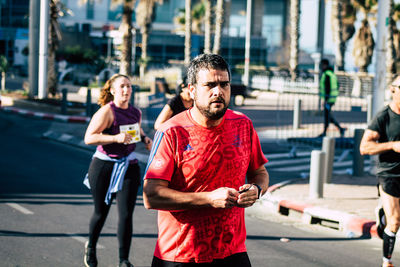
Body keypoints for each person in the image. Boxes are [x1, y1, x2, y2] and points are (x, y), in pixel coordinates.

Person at [143, 54, 269, 267]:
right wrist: (208, 198)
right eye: (210, 85)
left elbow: (260, 172)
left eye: (224, 84)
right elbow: (151, 196)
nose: (218, 91)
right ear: (192, 90)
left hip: (232, 252)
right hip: (180, 254)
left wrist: (256, 190)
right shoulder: (172, 132)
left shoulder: (243, 125)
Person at [83, 74, 153, 267]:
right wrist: (115, 139)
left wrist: (145, 139)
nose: (126, 90)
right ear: (113, 90)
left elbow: (135, 131)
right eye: (122, 86)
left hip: (128, 166)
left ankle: (124, 260)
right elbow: (89, 138)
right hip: (104, 165)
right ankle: (91, 248)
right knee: (101, 212)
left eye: (129, 86)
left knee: (126, 215)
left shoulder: (135, 112)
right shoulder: (107, 112)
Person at [360, 75, 400, 267]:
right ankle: (387, 262)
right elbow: (364, 147)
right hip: (389, 174)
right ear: (393, 90)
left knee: (393, 218)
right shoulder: (384, 117)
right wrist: (392, 146)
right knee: (395, 221)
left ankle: (383, 212)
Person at [318, 58, 346, 137]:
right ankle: (338, 129)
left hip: (328, 99)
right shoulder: (331, 73)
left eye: (322, 65)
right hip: (332, 98)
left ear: (325, 65)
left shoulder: (326, 74)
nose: (321, 67)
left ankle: (328, 131)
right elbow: (337, 85)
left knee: (327, 116)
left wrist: (326, 99)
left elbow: (327, 88)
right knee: (328, 116)